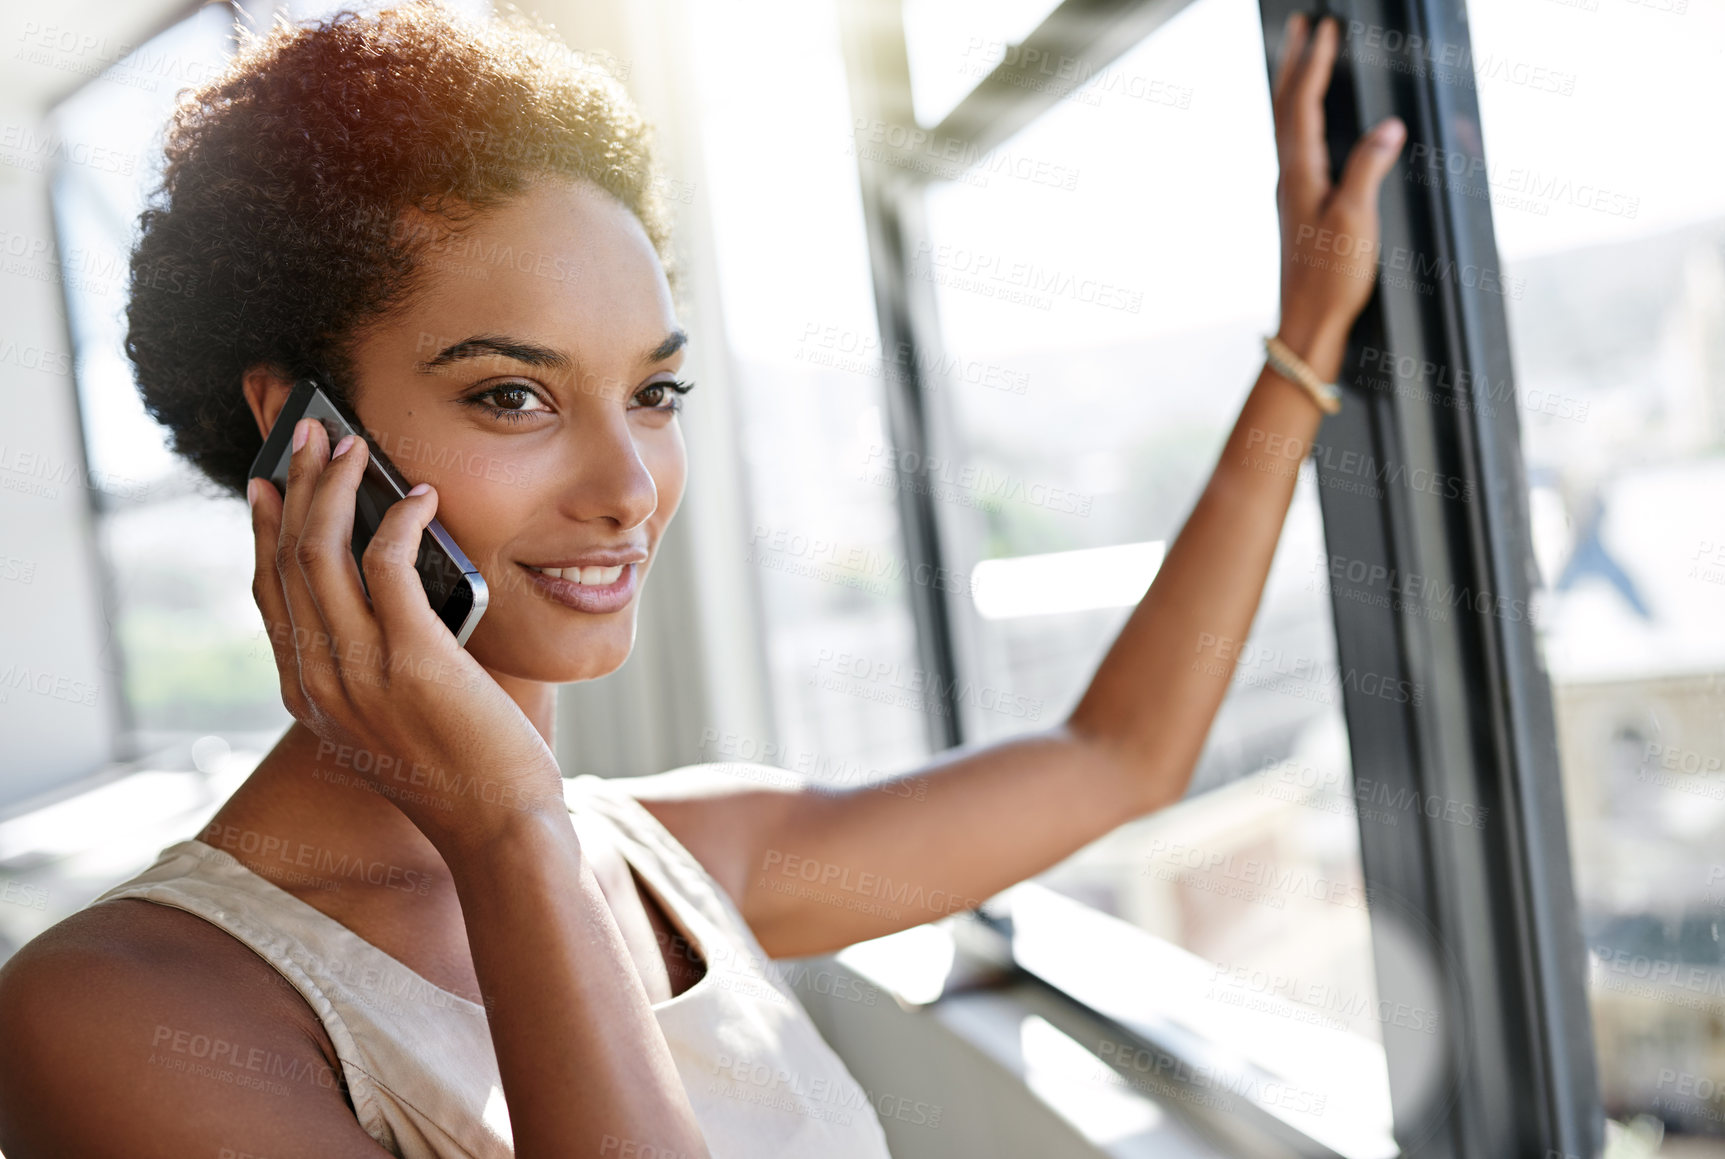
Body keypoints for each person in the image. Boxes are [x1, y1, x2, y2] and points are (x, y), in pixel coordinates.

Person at [0, 5, 1405, 1157]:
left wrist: (1297, 356)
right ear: (300, 433)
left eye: (655, 390)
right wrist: (504, 833)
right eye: (511, 396)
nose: (627, 486)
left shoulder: (684, 863)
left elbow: (1118, 758)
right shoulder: (117, 1012)